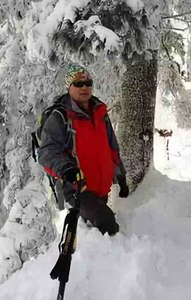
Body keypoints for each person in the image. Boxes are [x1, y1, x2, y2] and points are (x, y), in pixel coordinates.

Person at [38, 64, 129, 236]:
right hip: (77, 189)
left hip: (101, 189)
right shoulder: (60, 117)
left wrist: (120, 176)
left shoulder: (99, 112)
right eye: (78, 84)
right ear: (69, 87)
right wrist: (67, 169)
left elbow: (111, 147)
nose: (85, 87)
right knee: (106, 225)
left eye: (88, 83)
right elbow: (47, 152)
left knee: (95, 237)